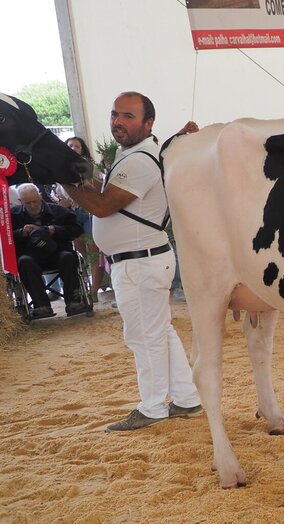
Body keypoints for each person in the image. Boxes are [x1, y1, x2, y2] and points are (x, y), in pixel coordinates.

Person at [61, 91, 203, 432]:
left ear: (148, 123)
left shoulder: (140, 160)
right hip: (141, 260)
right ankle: (187, 398)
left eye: (128, 116)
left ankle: (152, 407)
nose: (118, 122)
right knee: (159, 332)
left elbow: (103, 205)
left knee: (144, 337)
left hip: (140, 263)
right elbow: (107, 194)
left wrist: (62, 178)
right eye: (115, 115)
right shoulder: (133, 155)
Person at [11, 184, 87, 318]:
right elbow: (5, 239)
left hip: (57, 251)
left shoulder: (58, 211)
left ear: (40, 196)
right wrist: (21, 232)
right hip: (30, 255)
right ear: (20, 201)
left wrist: (54, 230)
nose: (33, 205)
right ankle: (41, 306)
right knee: (24, 261)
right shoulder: (13, 215)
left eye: (35, 201)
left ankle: (74, 302)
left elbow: (76, 230)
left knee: (68, 257)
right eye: (28, 203)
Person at [64, 136, 110, 302]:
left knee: (94, 252)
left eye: (76, 146)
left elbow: (98, 188)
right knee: (80, 250)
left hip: (89, 212)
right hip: (73, 214)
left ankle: (94, 291)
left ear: (82, 149)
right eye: (70, 145)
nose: (73, 148)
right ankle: (98, 279)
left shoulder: (89, 166)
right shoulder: (60, 167)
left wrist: (87, 181)